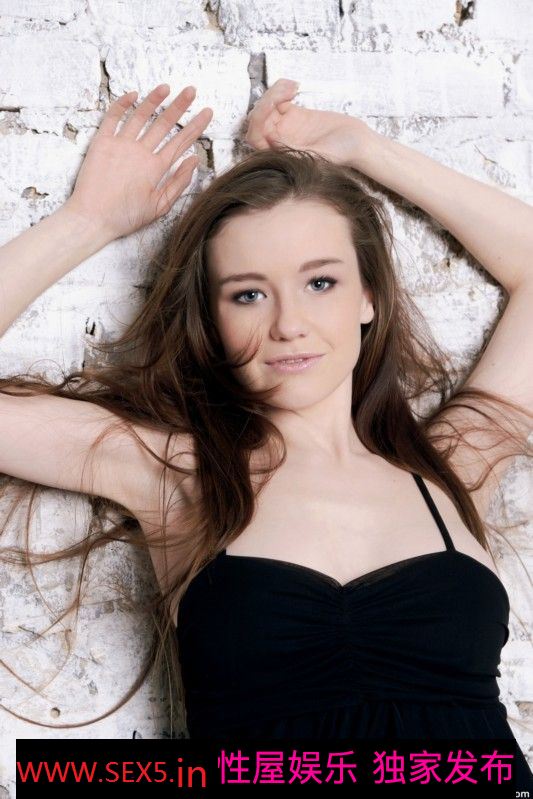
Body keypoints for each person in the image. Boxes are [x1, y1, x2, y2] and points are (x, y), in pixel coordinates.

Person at [0, 79, 531, 790]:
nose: (287, 324)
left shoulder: (450, 470)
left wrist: (364, 148)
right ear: (212, 319)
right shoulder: (177, 475)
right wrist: (88, 220)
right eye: (248, 294)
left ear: (369, 296)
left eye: (320, 282)